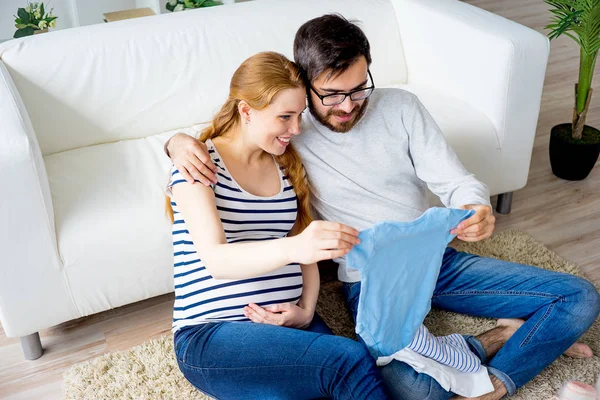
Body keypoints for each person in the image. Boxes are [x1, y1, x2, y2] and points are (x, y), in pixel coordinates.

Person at [165, 15, 600, 400]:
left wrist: (475, 204)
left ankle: (496, 385)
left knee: (579, 298)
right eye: (333, 95)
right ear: (306, 83)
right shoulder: (290, 134)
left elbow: (456, 180)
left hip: (434, 258)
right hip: (369, 277)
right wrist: (176, 143)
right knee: (412, 389)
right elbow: (237, 126)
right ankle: (509, 335)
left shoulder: (395, 111)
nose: (349, 105)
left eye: (359, 88)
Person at [166, 51, 391, 399]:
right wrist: (296, 247)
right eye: (285, 117)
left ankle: (469, 351)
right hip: (212, 334)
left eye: (299, 115)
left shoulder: (286, 166)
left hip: (287, 325)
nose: (296, 129)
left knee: (382, 380)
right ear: (246, 111)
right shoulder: (198, 163)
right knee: (348, 361)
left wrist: (306, 310)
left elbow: (307, 251)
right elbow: (217, 259)